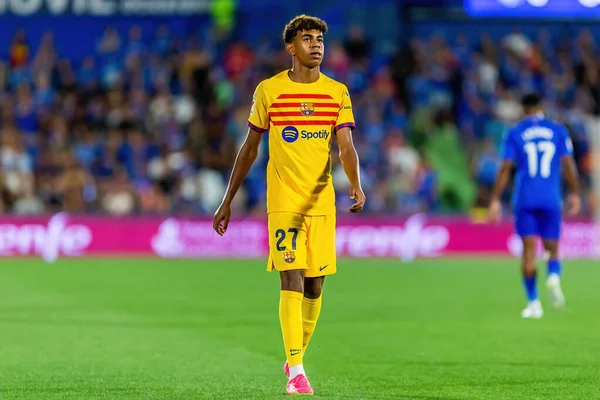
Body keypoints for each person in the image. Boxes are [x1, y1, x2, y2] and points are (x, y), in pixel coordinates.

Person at [213, 14, 366, 395]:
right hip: (284, 200)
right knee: (292, 277)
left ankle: (294, 353)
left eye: (320, 40)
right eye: (308, 39)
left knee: (315, 286)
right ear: (291, 47)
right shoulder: (269, 91)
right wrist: (227, 199)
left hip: (322, 202)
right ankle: (296, 370)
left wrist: (356, 186)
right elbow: (250, 148)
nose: (316, 45)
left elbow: (345, 146)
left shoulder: (337, 92)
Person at [489, 93, 580, 319]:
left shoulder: (514, 132)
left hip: (525, 198)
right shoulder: (558, 130)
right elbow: (568, 164)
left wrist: (494, 199)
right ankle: (553, 277)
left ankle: (533, 303)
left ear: (524, 109)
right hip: (551, 198)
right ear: (541, 107)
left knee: (529, 251)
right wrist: (576, 193)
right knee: (553, 248)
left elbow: (505, 168)